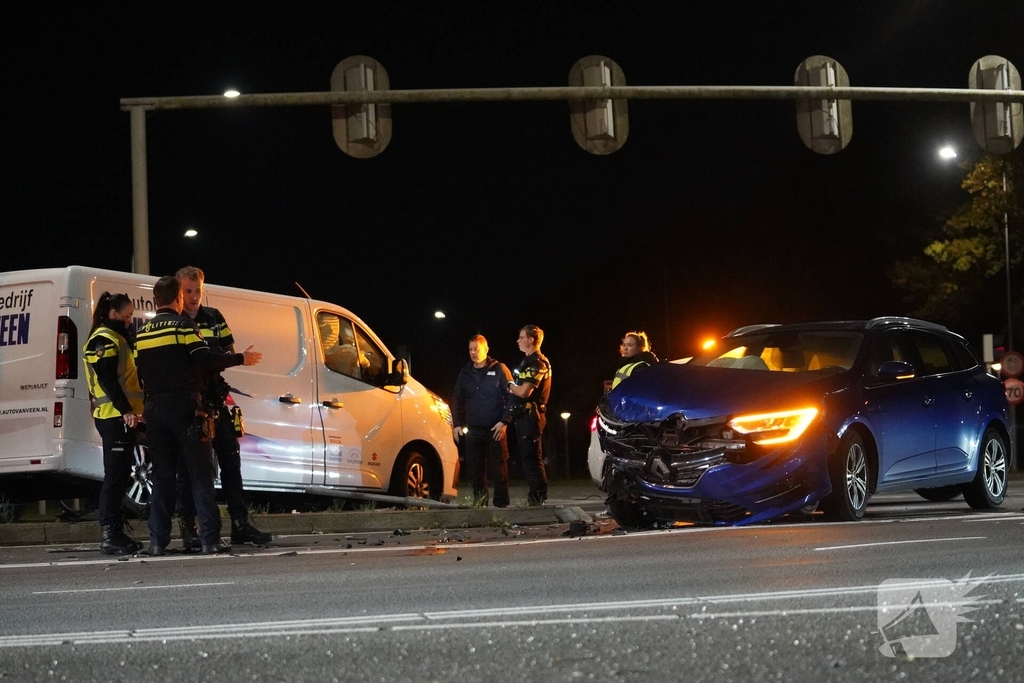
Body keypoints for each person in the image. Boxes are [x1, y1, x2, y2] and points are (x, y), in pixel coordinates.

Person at [134, 276, 262, 556]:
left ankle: (157, 542)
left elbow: (140, 372)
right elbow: (206, 359)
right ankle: (210, 539)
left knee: (164, 477)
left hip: (155, 409)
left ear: (156, 299)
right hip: (186, 409)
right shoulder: (183, 325)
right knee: (200, 475)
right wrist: (241, 358)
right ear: (178, 297)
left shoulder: (142, 332)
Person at [175, 266, 272, 548]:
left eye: (197, 291)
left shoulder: (214, 317)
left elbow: (228, 353)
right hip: (191, 402)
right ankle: (189, 528)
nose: (193, 297)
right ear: (178, 291)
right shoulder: (177, 321)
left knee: (231, 460)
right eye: (188, 291)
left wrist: (223, 358)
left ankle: (240, 524)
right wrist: (217, 358)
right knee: (189, 468)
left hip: (216, 399)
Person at [82, 292, 145, 555]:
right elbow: (107, 379)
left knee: (120, 476)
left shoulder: (115, 337)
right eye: (127, 316)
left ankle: (115, 531)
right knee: (115, 477)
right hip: (113, 416)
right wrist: (126, 410)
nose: (130, 321)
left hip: (118, 416)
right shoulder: (103, 339)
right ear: (113, 314)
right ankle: (110, 534)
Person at [451, 334, 513, 508]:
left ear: (486, 349)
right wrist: (456, 424)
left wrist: (504, 421)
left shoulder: (500, 369)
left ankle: (501, 504)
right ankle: (480, 503)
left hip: (495, 428)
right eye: (470, 349)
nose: (473, 352)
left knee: (499, 469)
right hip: (473, 430)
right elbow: (457, 398)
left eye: (476, 349)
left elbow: (512, 397)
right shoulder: (465, 372)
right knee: (475, 471)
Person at [507, 325, 552, 506]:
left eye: (521, 337)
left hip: (531, 416)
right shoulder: (527, 362)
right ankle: (535, 495)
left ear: (531, 340)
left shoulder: (537, 362)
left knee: (532, 458)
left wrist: (510, 385)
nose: (518, 341)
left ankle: (537, 496)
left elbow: (525, 391)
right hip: (524, 416)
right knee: (527, 458)